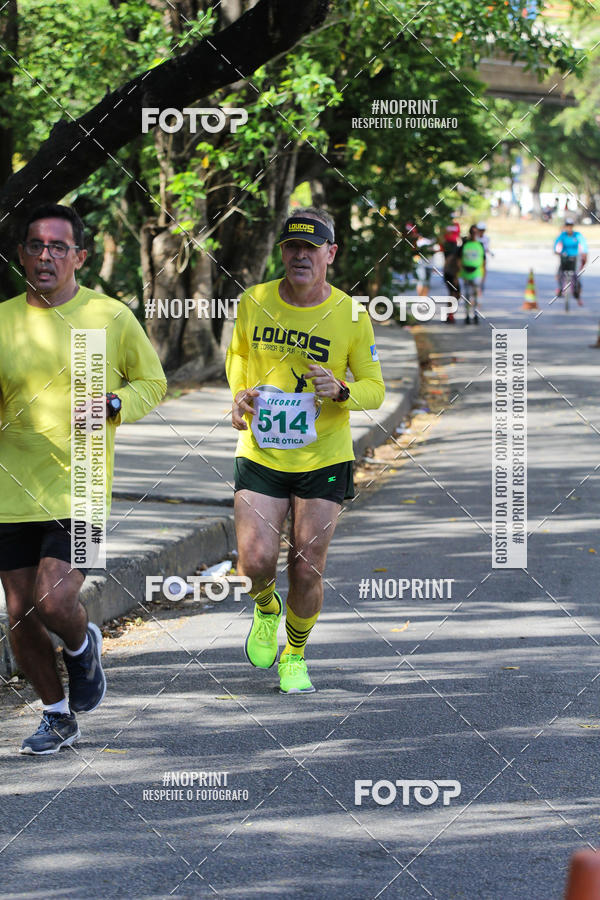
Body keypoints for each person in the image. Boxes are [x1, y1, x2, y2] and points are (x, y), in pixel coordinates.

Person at [0, 204, 167, 754]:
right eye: (35, 245)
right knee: (19, 612)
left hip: (84, 485)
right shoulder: (1, 320)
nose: (44, 256)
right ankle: (56, 714)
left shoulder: (110, 317)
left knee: (53, 600)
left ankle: (81, 644)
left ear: (80, 256)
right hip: (11, 488)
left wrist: (116, 401)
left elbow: (153, 382)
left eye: (57, 247)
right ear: (21, 252)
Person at [226, 207, 385, 694]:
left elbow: (375, 388)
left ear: (330, 254)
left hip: (324, 457)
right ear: (282, 252)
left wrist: (341, 391)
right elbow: (238, 358)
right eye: (292, 246)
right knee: (253, 563)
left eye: (310, 247)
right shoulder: (254, 300)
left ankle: (294, 654)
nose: (299, 255)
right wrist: (240, 395)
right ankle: (267, 608)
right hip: (262, 452)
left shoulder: (352, 315)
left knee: (306, 564)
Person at [554, 217, 588, 305]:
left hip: (575, 257)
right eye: (567, 226)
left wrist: (584, 252)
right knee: (559, 273)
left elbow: (583, 244)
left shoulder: (577, 235)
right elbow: (557, 242)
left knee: (577, 275)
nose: (569, 228)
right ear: (565, 226)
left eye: (571, 226)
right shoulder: (563, 235)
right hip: (565, 257)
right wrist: (556, 250)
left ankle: (577, 294)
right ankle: (560, 288)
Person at [458, 225, 485, 324]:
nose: (474, 235)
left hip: (477, 273)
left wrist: (484, 275)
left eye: (476, 233)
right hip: (466, 273)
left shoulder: (480, 245)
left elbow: (484, 261)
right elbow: (459, 259)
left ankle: (476, 314)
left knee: (476, 295)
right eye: (472, 233)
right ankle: (467, 315)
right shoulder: (465, 244)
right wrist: (460, 272)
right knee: (467, 295)